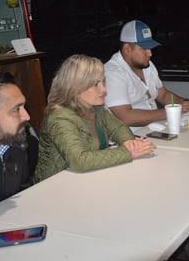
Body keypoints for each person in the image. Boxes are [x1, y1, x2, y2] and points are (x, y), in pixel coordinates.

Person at [33, 54, 157, 183]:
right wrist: (129, 152)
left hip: (85, 180)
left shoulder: (95, 107)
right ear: (75, 87)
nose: (104, 89)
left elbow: (118, 128)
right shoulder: (59, 118)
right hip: (54, 187)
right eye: (95, 84)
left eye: (103, 82)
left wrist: (129, 142)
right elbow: (80, 160)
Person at [104, 20, 189, 132]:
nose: (150, 53)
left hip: (154, 127)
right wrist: (172, 111)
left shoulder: (147, 64)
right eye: (144, 49)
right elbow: (126, 118)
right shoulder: (112, 73)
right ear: (127, 49)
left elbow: (163, 94)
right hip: (131, 137)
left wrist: (184, 103)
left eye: (150, 48)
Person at [0, 72, 36, 202]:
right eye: (16, 109)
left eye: (23, 106)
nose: (26, 116)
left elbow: (24, 193)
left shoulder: (16, 145)